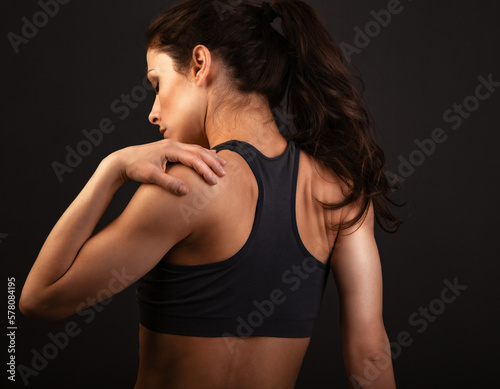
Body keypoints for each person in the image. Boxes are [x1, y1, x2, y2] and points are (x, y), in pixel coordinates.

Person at [20, 0, 401, 388]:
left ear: (200, 64)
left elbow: (38, 298)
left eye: (157, 83)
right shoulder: (340, 191)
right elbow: (370, 353)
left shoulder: (184, 186)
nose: (152, 112)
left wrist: (111, 169)